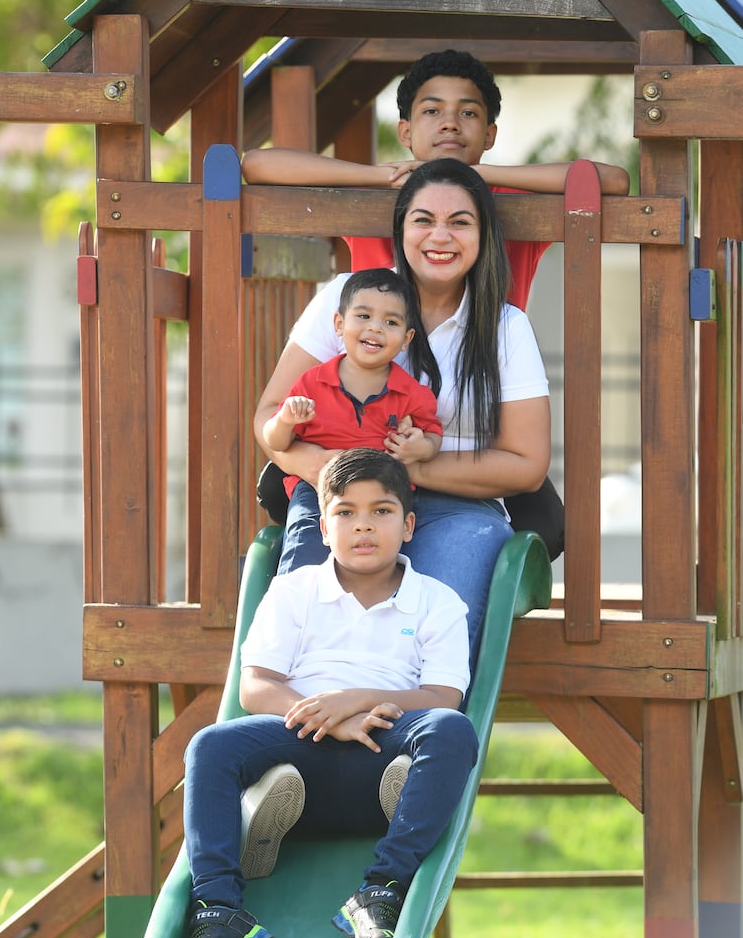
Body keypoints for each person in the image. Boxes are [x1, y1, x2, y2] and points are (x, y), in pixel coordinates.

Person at [173, 449, 478, 938]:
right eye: (346, 513)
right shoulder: (294, 591)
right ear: (323, 526)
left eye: (382, 512)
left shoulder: (438, 601)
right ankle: (219, 913)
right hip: (299, 742)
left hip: (386, 742)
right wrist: (328, 719)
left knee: (450, 731)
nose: (363, 525)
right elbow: (256, 685)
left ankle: (380, 891)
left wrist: (356, 700)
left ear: (408, 526)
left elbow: (444, 695)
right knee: (209, 746)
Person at [254, 157, 551, 662]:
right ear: (400, 229)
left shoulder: (505, 326)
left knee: (425, 641)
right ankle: (311, 720)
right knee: (312, 627)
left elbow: (527, 463)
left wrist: (415, 465)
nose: (441, 235)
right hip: (345, 495)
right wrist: (319, 468)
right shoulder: (349, 301)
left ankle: (415, 730)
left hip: (460, 507)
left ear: (483, 236)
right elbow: (270, 413)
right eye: (423, 219)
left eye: (460, 222)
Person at [241, 47, 630, 310]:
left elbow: (614, 181)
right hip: (384, 390)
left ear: (489, 134)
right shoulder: (376, 191)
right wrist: (378, 175)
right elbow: (257, 165)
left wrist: (480, 174)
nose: (449, 123)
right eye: (432, 111)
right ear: (406, 133)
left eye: (468, 113)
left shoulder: (510, 194)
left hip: (488, 384)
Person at [262, 268, 442, 519]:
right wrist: (284, 421)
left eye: (391, 322)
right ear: (339, 324)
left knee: (383, 551)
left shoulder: (412, 394)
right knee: (305, 546)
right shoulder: (312, 383)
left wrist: (421, 448)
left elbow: (433, 434)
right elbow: (275, 442)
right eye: (364, 316)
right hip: (318, 492)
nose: (375, 328)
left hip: (385, 492)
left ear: (406, 338)